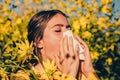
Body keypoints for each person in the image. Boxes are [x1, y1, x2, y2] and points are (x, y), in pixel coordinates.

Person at [27, 10, 99, 80]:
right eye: (58, 30)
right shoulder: (25, 76)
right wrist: (69, 75)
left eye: (69, 30)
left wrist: (89, 71)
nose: (68, 36)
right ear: (38, 42)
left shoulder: (81, 75)